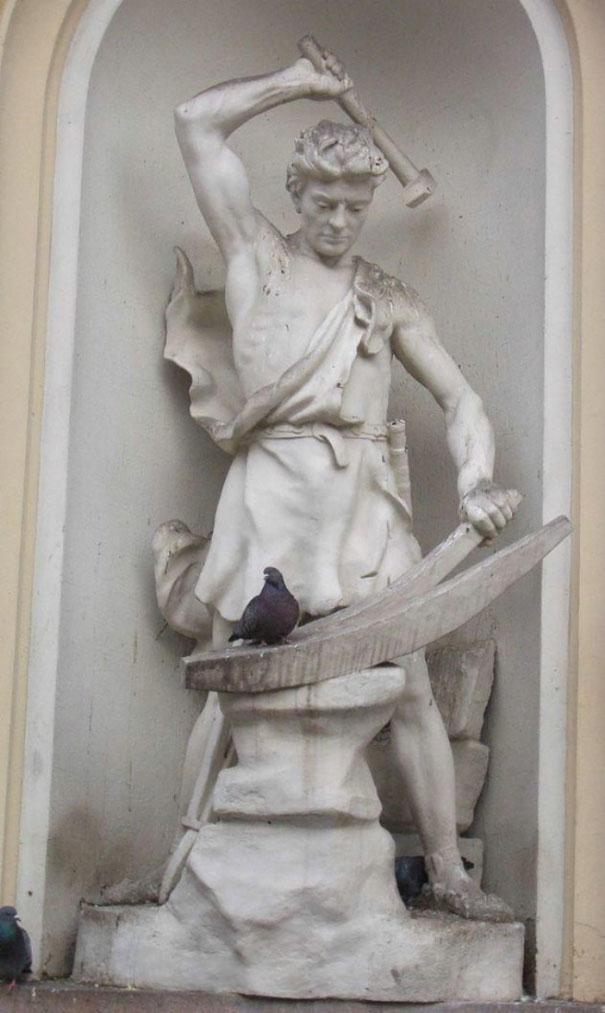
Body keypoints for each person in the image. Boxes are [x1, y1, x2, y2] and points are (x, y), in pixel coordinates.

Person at [169, 50, 519, 919]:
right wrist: (294, 82)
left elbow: (461, 399)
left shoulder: (385, 296)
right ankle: (174, 862)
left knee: (409, 682)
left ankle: (446, 873)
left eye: (354, 207)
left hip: (360, 500)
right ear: (295, 196)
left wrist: (476, 478)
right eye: (322, 203)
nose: (337, 220)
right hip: (269, 489)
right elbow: (194, 125)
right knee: (225, 680)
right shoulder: (255, 255)